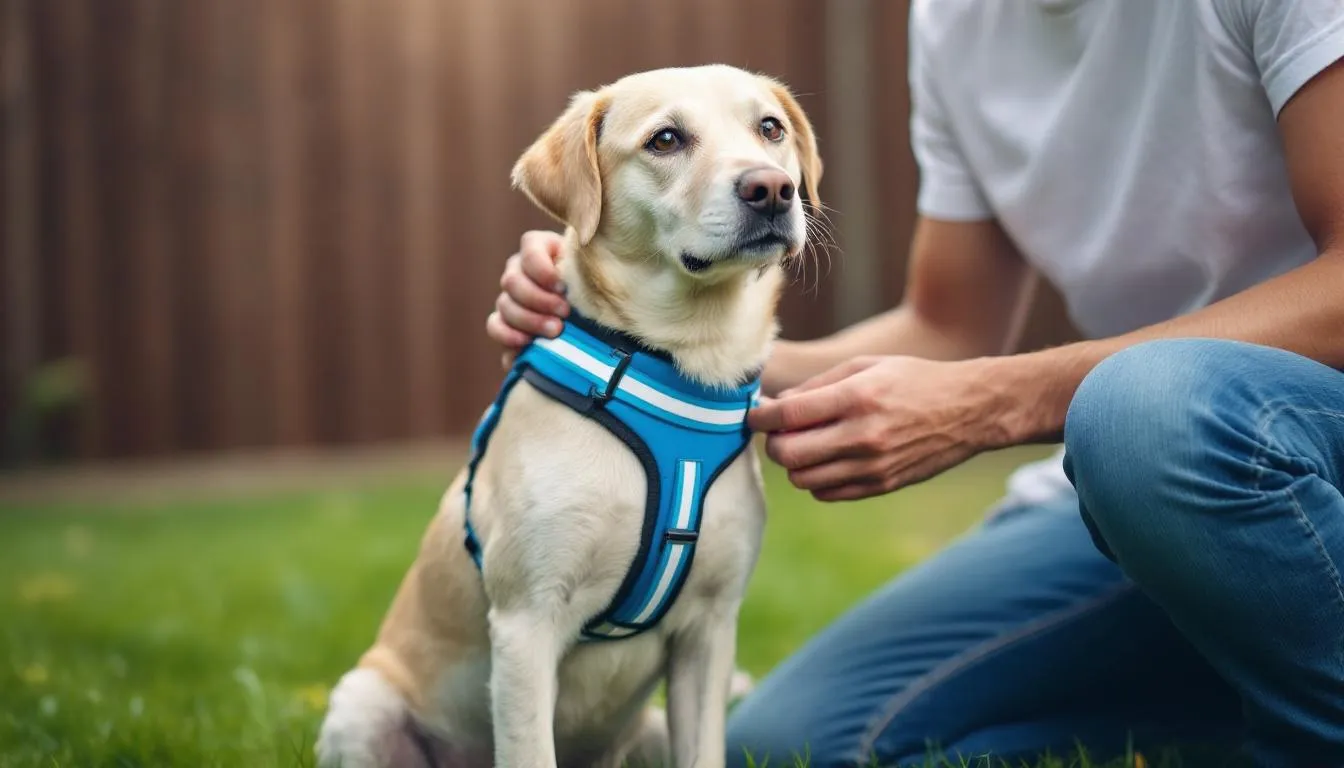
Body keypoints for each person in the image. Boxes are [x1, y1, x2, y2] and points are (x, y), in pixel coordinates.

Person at [486, 1, 1344, 765]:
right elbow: (949, 330)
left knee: (1139, 408)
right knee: (795, 745)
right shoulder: (955, 19)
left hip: (1221, 440)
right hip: (1136, 484)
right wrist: (625, 337)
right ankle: (1236, 693)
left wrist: (1001, 400)